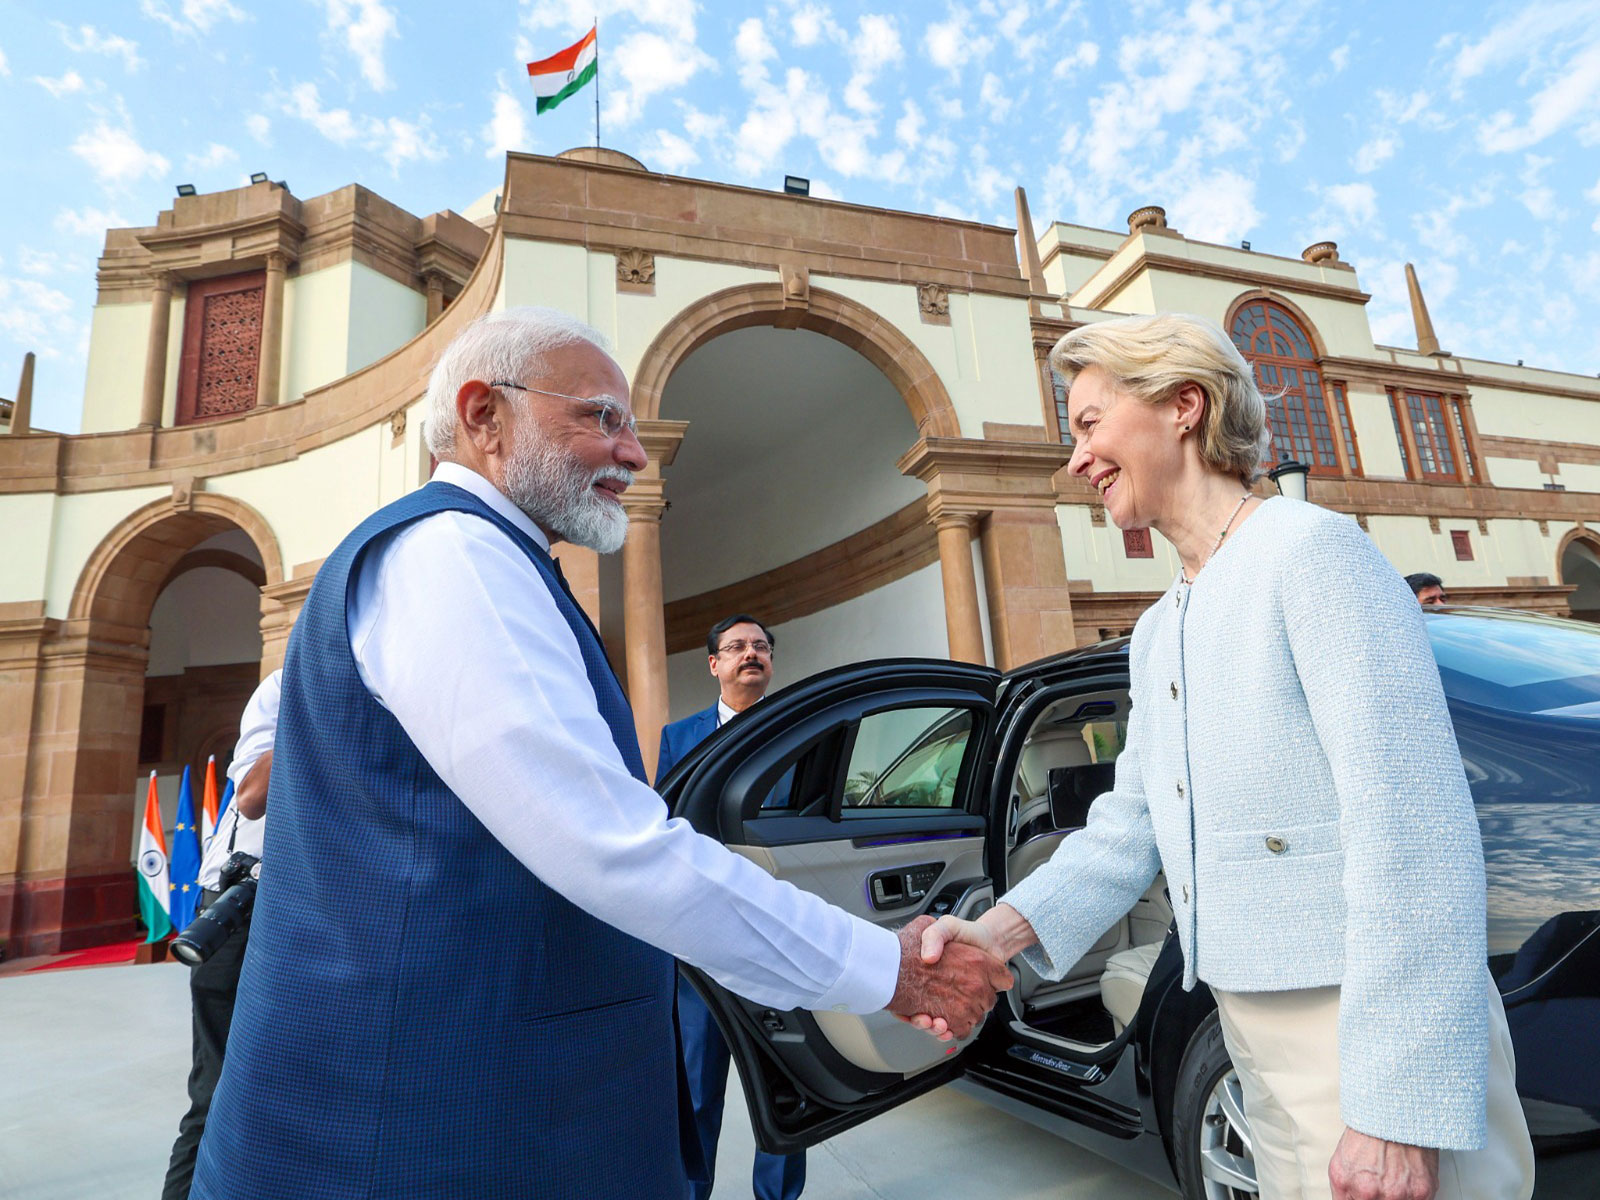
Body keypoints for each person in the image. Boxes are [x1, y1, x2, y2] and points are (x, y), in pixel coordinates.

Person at [190, 307, 1010, 1200]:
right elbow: (609, 843)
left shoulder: (481, 555)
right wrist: (882, 968)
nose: (634, 453)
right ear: (483, 417)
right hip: (427, 1134)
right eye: (600, 417)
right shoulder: (456, 555)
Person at [915, 314, 1533, 1200]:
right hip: (1251, 1042)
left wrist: (1396, 1108)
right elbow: (1128, 828)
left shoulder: (1312, 554)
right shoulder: (1162, 625)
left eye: (1090, 423)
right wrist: (995, 936)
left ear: (1184, 406)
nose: (1077, 459)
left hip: (1361, 1041)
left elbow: (1413, 834)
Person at [658, 614, 803, 1200]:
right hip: (701, 942)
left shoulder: (800, 729)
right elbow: (665, 823)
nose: (751, 654)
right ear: (714, 663)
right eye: (737, 647)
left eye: (761, 646)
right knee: (695, 1089)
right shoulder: (677, 736)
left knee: (786, 1093)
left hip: (776, 936)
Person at [160, 669, 279, 1200]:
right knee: (217, 1094)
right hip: (237, 911)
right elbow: (254, 794)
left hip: (305, 909)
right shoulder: (287, 688)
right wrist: (324, 690)